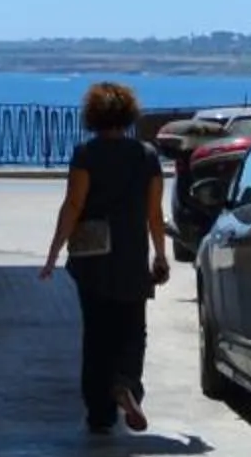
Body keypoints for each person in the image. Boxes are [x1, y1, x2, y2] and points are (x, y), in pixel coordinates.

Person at [41, 81, 168, 434]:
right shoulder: (146, 156)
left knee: (96, 333)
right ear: (128, 116)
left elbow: (74, 205)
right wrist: (160, 254)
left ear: (93, 117)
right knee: (133, 329)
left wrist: (53, 252)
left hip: (93, 257)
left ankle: (99, 413)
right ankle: (126, 383)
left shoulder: (86, 154)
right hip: (131, 255)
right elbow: (154, 214)